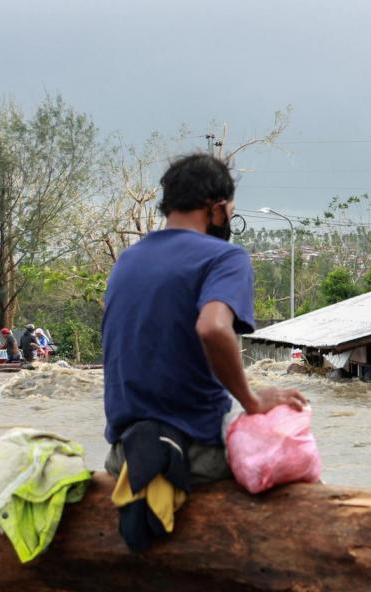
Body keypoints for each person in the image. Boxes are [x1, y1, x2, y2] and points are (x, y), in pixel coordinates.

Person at [102, 152, 306, 489]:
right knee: (292, 456)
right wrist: (252, 401)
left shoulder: (127, 260)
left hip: (124, 455)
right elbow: (212, 328)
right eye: (230, 211)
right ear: (216, 207)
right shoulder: (224, 257)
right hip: (194, 453)